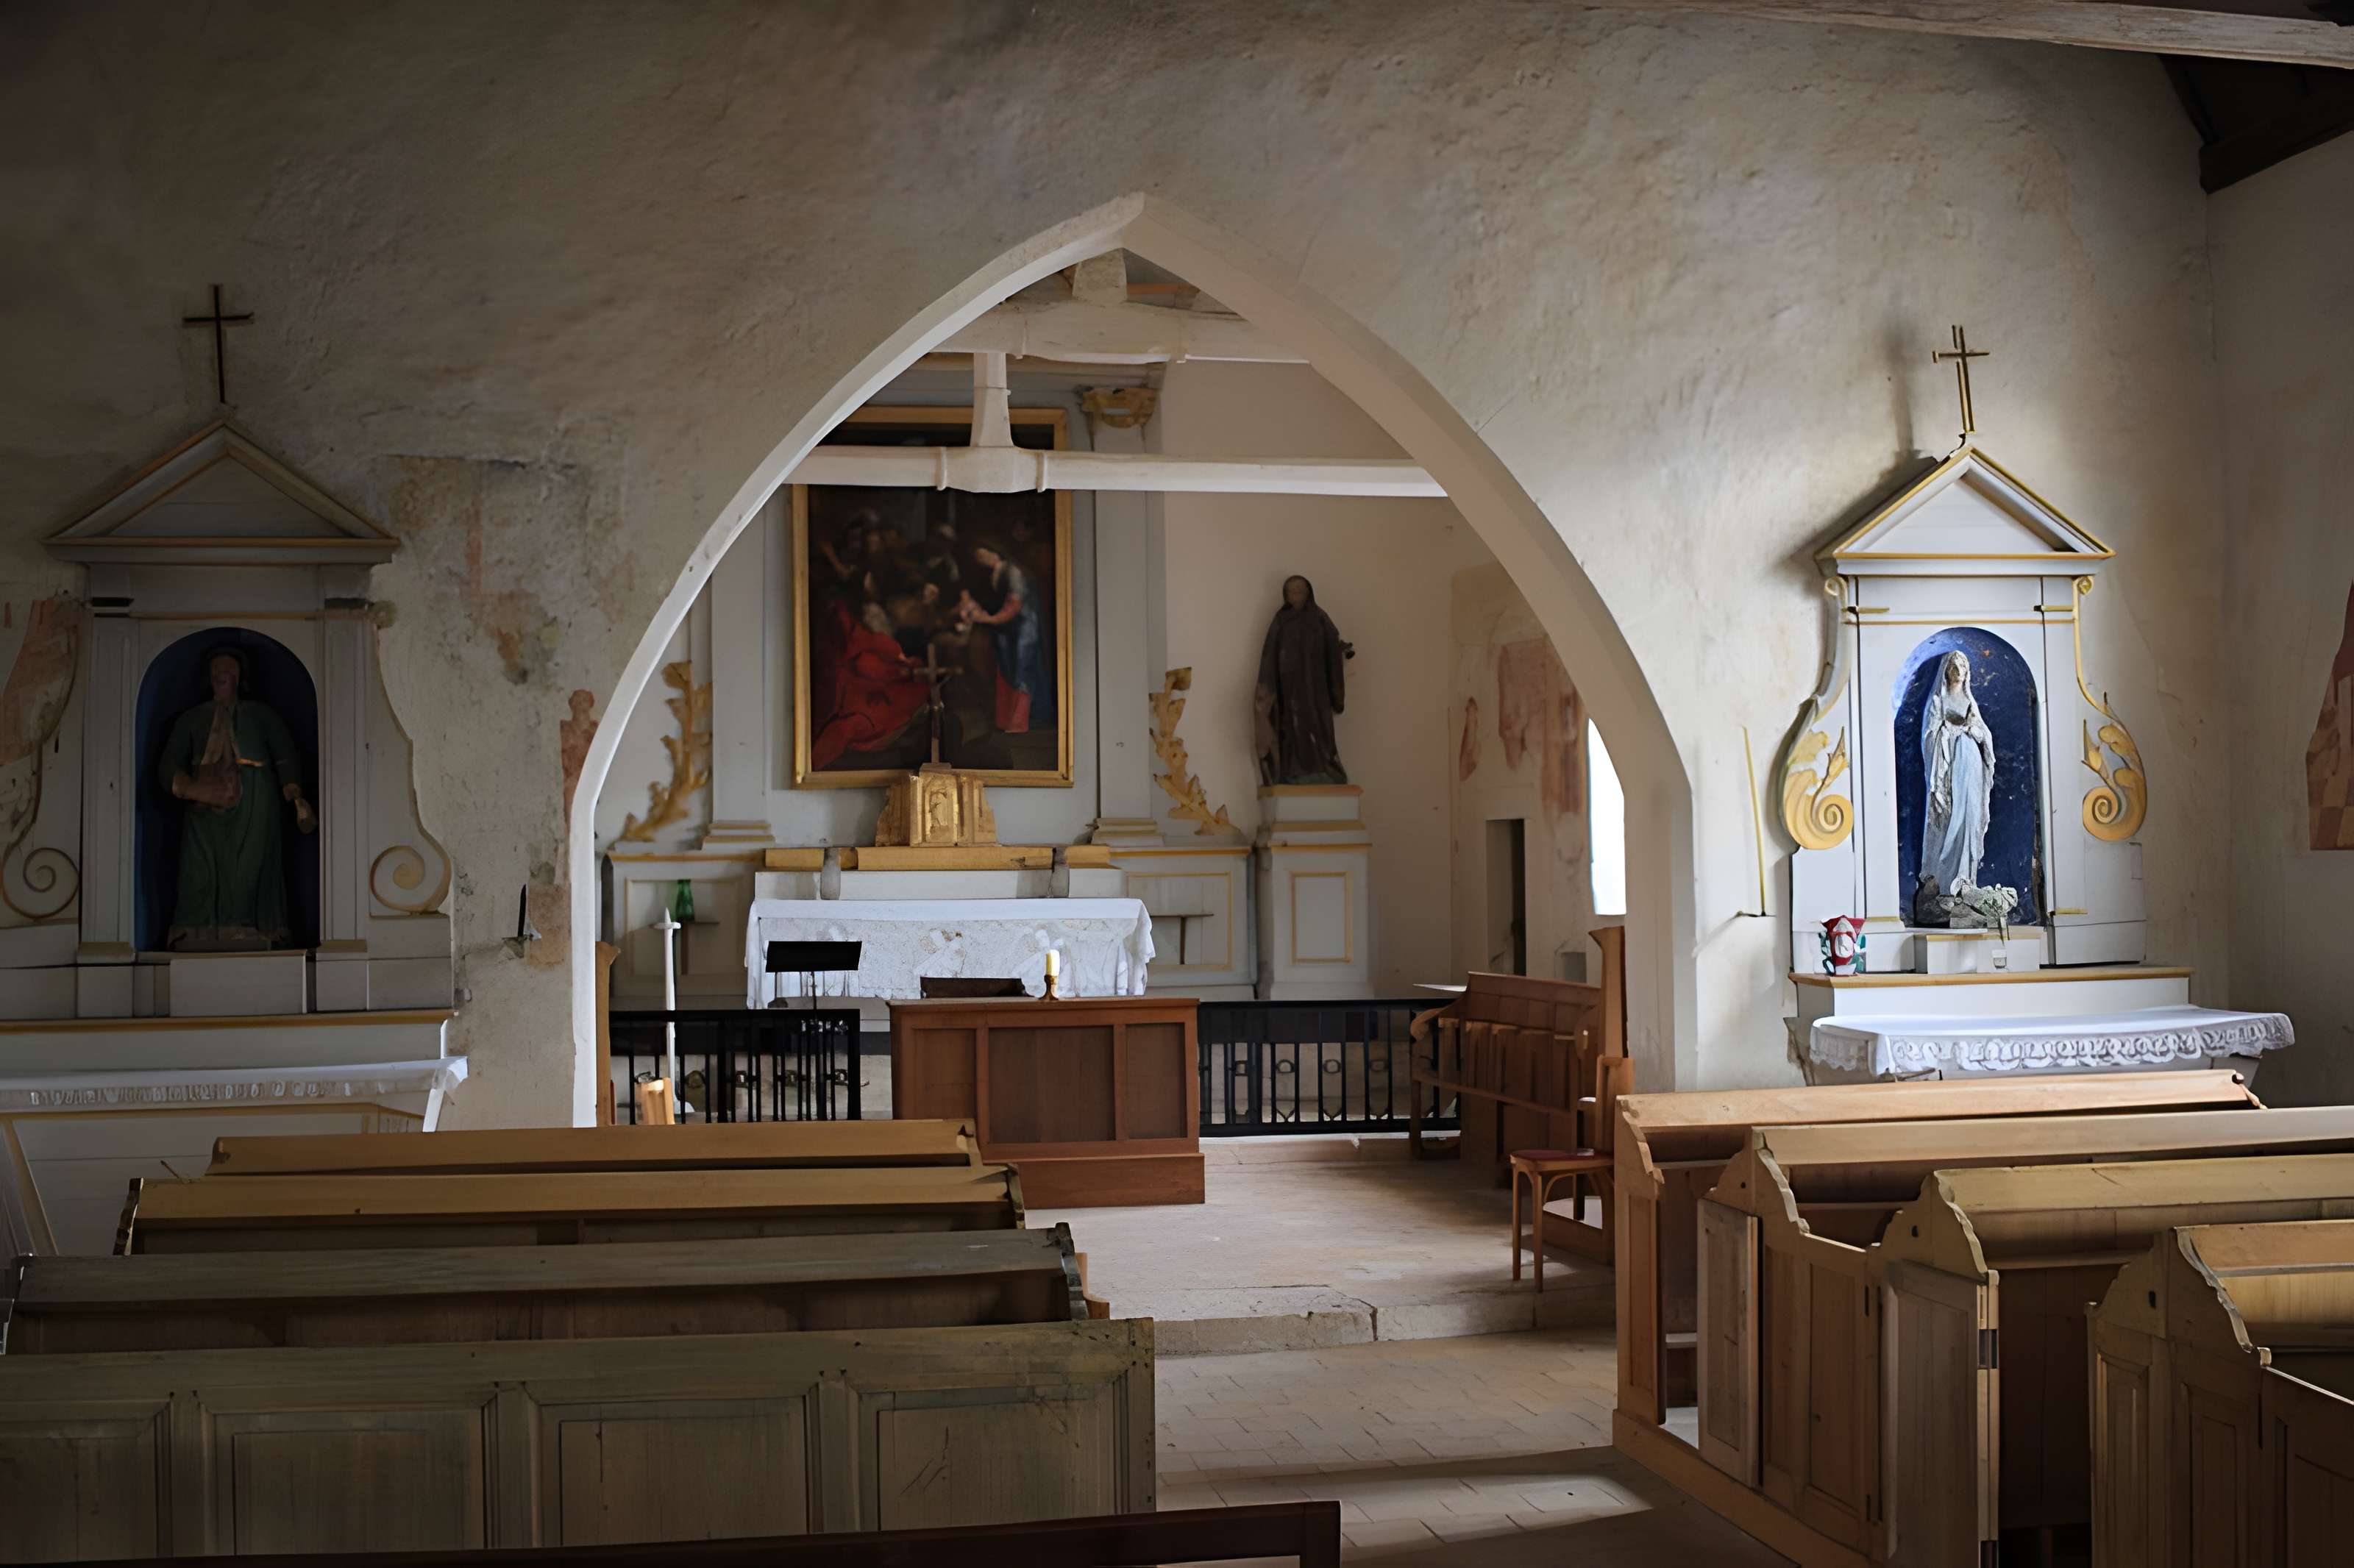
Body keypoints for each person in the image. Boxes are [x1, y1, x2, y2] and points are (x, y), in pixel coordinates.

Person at [157, 649, 312, 949]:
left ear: (240, 676)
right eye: (216, 668)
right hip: (202, 802)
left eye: (229, 668)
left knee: (250, 863)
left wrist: (294, 794)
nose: (222, 673)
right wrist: (189, 788)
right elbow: (168, 764)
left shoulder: (261, 715)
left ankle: (251, 926)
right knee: (199, 866)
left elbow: (284, 754)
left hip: (256, 798)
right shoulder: (191, 719)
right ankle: (196, 928)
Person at [1255, 574, 1353, 785]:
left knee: (1319, 725)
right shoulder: (1280, 620)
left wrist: (1339, 653)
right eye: (1291, 590)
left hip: (1316, 686)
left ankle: (1323, 767)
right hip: (1289, 687)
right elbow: (1269, 655)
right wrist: (1268, 692)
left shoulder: (1319, 618)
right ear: (1285, 594)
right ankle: (1295, 770)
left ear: (1309, 592)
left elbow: (1331, 646)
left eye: (1300, 589)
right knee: (1292, 726)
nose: (1296, 593)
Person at [810, 600, 931, 769]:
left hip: (860, 706)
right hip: (845, 678)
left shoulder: (910, 698)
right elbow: (862, 644)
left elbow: (889, 707)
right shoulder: (892, 651)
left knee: (846, 727)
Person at [1919, 649, 1996, 902]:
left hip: (1971, 769)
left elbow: (1985, 736)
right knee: (1950, 819)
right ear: (1947, 671)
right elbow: (1929, 736)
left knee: (1970, 819)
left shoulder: (1970, 703)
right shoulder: (1939, 702)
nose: (1957, 672)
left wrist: (1974, 731)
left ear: (1967, 673)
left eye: (1962, 667)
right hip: (1949, 770)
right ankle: (1944, 880)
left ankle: (1966, 880)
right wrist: (1948, 733)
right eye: (1953, 667)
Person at [959, 538, 1052, 735]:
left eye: (985, 554)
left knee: (1021, 672)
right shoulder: (994, 574)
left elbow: (1014, 604)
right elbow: (991, 603)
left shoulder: (1013, 571)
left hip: (1024, 628)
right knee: (1006, 673)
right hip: (1006, 630)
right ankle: (1005, 720)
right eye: (979, 558)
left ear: (996, 551)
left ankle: (1019, 723)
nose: (983, 559)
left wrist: (991, 620)